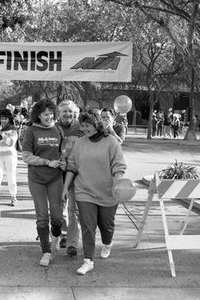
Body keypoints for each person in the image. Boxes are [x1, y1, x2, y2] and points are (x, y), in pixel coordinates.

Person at [62, 111, 127, 275]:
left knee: (106, 225)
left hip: (108, 191)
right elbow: (72, 166)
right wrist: (65, 188)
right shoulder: (79, 143)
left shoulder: (111, 142)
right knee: (87, 226)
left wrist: (118, 183)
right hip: (84, 191)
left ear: (96, 124)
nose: (84, 129)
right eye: (82, 126)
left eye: (87, 125)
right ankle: (88, 261)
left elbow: (118, 166)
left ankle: (107, 242)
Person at [22, 99, 66, 267]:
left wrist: (62, 161)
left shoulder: (58, 129)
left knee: (57, 217)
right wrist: (47, 162)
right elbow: (26, 156)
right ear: (38, 116)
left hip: (55, 178)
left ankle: (56, 235)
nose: (49, 117)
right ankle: (46, 252)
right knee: (42, 217)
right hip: (36, 179)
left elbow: (62, 151)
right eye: (45, 114)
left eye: (50, 113)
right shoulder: (31, 131)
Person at [56, 100, 84, 257]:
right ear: (59, 113)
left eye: (70, 111)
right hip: (57, 174)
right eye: (64, 111)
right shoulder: (54, 128)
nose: (67, 114)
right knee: (59, 207)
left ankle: (72, 243)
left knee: (74, 209)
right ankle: (61, 234)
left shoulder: (81, 128)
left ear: (75, 113)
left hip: (76, 174)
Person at [0, 108, 19, 206]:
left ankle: (13, 196)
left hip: (10, 157)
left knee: (11, 177)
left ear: (9, 119)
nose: (3, 120)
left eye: (6, 119)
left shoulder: (13, 130)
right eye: (2, 118)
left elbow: (10, 142)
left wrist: (2, 135)